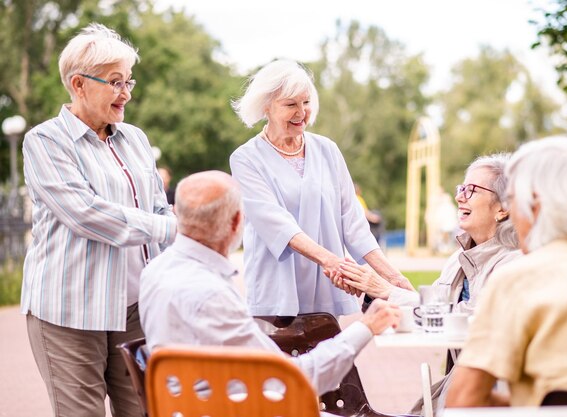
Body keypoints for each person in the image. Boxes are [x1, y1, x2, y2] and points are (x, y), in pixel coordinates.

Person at [21, 23, 175, 417]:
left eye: (129, 81)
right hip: (69, 311)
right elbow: (86, 214)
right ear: (78, 84)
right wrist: (170, 227)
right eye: (114, 82)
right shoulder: (45, 141)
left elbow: (159, 205)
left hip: (135, 310)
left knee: (144, 410)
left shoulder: (135, 139)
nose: (126, 93)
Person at [139, 170, 401, 400]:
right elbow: (295, 379)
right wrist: (365, 328)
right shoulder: (212, 294)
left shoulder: (154, 272)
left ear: (177, 214)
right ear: (235, 223)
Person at [446, 136, 567, 408]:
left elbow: (463, 401)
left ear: (536, 206)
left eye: (513, 200)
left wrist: (527, 406)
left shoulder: (515, 279)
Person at [339, 153, 521, 415]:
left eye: (472, 190)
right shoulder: (459, 259)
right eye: (461, 188)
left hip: (490, 395)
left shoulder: (513, 263)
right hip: (461, 387)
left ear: (503, 207)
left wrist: (386, 290)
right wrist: (374, 293)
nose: (460, 197)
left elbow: (470, 320)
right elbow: (428, 309)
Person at [229, 59, 411, 317]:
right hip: (278, 286)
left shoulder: (327, 150)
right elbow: (279, 226)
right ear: (266, 107)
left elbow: (353, 221)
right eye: (291, 104)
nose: (301, 112)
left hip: (325, 284)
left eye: (306, 102)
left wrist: (393, 277)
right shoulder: (246, 159)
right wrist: (335, 263)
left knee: (330, 352)